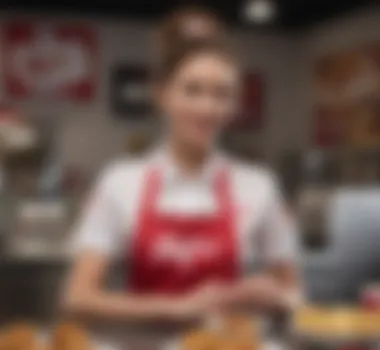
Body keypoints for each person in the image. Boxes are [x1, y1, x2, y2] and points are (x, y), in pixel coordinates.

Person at [64, 8, 302, 323]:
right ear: (162, 94)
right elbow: (78, 297)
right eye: (192, 90)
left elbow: (294, 294)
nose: (207, 107)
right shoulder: (119, 181)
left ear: (234, 104)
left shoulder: (258, 184)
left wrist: (269, 295)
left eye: (222, 94)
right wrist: (178, 308)